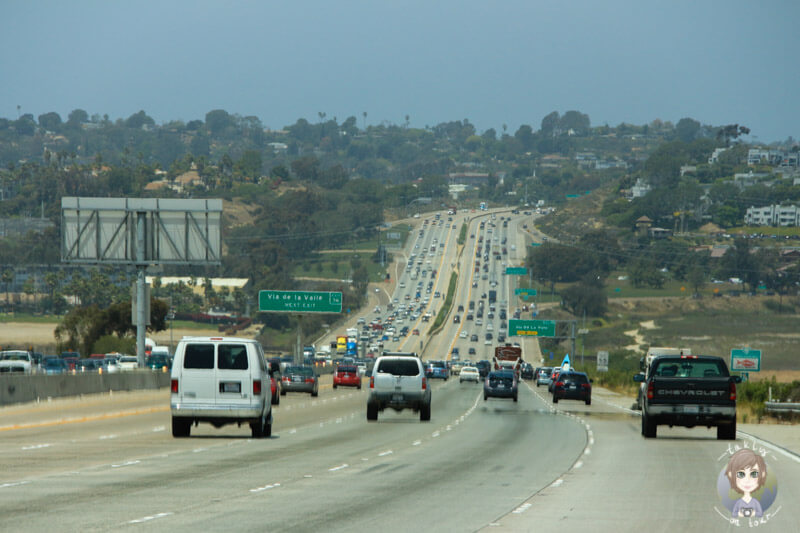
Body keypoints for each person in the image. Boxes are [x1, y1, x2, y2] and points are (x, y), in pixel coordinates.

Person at [725, 449, 767, 518]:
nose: (747, 480)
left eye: (754, 474)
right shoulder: (739, 503)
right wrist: (741, 514)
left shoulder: (755, 502)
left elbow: (760, 513)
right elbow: (734, 514)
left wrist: (752, 514)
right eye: (741, 474)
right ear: (731, 475)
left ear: (762, 474)